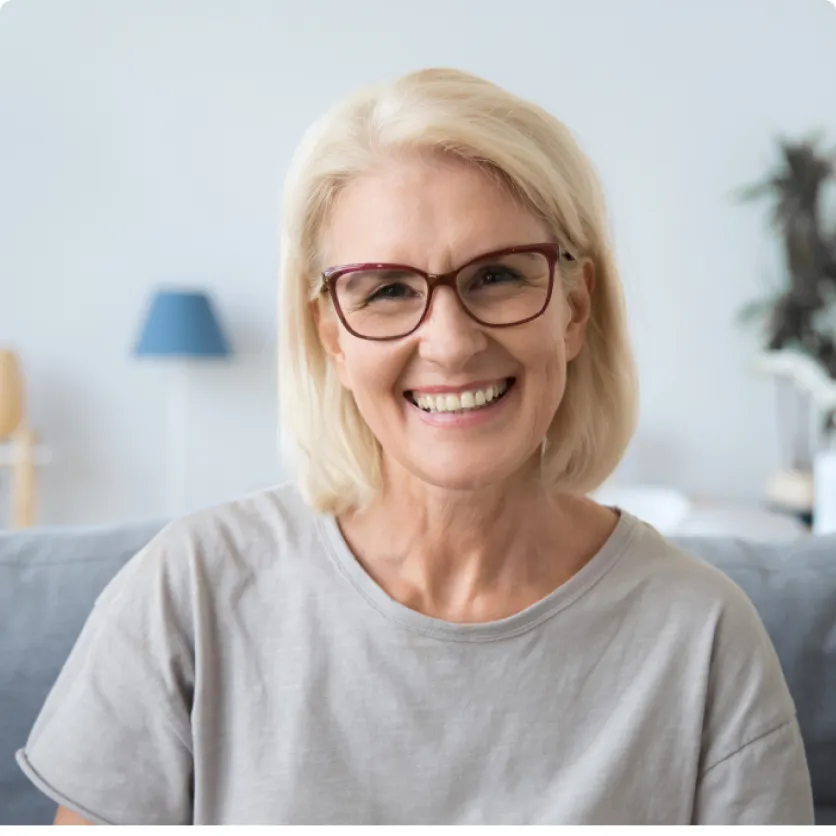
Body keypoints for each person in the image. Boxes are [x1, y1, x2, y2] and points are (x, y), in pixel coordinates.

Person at [18, 68, 813, 825]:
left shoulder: (704, 637)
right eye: (389, 290)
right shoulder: (188, 592)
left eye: (497, 275)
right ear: (330, 333)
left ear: (574, 308)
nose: (452, 343)